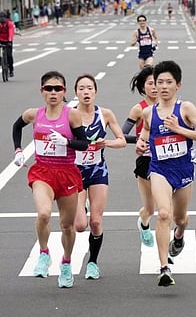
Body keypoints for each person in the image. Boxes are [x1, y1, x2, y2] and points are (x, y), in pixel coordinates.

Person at [135, 60, 196, 287]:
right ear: (154, 86)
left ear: (178, 85)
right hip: (159, 169)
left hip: (184, 169)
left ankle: (179, 235)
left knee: (180, 218)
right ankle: (164, 268)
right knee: (164, 214)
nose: (164, 86)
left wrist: (179, 129)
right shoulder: (148, 113)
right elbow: (146, 133)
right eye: (160, 82)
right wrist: (140, 144)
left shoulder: (186, 108)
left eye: (169, 82)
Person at [12, 71, 89, 288]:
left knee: (67, 226)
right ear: (42, 91)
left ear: (64, 92)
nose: (53, 92)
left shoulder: (72, 115)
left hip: (66, 172)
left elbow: (84, 144)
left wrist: (66, 142)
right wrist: (18, 150)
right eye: (48, 88)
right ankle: (44, 252)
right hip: (42, 171)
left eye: (58, 89)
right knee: (44, 213)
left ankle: (66, 262)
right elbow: (17, 126)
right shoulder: (34, 114)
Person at [73, 74, 126, 280]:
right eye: (81, 88)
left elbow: (121, 140)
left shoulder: (105, 114)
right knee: (79, 226)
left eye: (89, 88)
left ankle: (93, 262)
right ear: (76, 92)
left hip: (97, 171)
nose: (86, 92)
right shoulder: (70, 115)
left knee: (95, 221)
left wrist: (107, 143)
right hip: (75, 172)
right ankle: (81, 206)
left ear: (95, 92)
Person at [122, 66, 158, 250]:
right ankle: (144, 223)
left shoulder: (171, 106)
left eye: (156, 83)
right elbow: (122, 134)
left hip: (168, 161)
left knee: (167, 208)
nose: (154, 87)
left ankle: (165, 250)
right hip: (146, 160)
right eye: (150, 84)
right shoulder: (138, 109)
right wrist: (140, 141)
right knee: (150, 208)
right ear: (143, 87)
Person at [0, 11, 15, 77]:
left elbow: (11, 32)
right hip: (0, 39)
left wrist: (9, 40)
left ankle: (11, 70)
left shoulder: (9, 23)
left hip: (8, 40)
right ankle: (1, 62)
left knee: (9, 55)